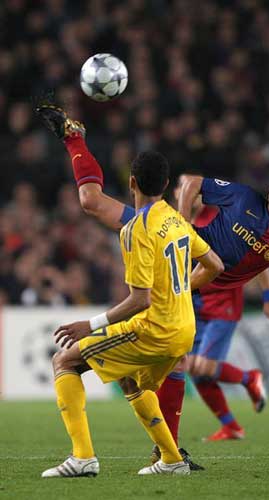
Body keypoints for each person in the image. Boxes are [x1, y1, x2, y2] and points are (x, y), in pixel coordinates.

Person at [36, 103, 269, 465]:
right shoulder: (243, 197)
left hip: (192, 291)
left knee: (175, 368)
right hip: (175, 250)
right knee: (91, 202)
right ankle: (74, 138)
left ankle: (167, 455)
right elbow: (192, 182)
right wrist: (181, 224)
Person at [37, 110, 224, 477]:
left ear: (132, 182)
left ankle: (87, 457)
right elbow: (215, 265)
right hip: (181, 326)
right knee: (133, 379)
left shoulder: (134, 228)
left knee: (67, 361)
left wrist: (89, 324)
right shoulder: (176, 219)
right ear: (168, 183)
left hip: (154, 324)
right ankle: (171, 459)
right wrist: (178, 288)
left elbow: (140, 298)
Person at [172, 176, 269, 442]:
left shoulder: (223, 217)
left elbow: (260, 254)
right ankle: (231, 426)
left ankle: (249, 378)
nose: (182, 194)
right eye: (178, 190)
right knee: (193, 368)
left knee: (204, 366)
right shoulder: (185, 226)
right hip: (197, 305)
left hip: (224, 303)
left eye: (187, 189)